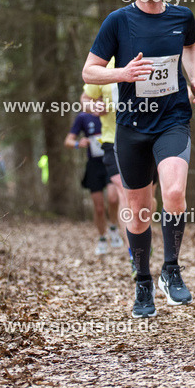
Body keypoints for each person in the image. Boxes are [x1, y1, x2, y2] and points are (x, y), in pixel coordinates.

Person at [82, 0, 195, 318]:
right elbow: (89, 72)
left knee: (173, 191)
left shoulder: (182, 16)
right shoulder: (118, 22)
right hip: (132, 127)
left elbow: (191, 45)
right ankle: (142, 281)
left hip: (172, 119)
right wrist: (122, 74)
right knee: (137, 210)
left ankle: (171, 270)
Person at [81, 58, 134, 265]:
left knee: (146, 202)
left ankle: (141, 233)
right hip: (113, 141)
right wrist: (94, 106)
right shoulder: (103, 65)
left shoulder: (148, 52)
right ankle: (134, 255)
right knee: (122, 194)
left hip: (148, 138)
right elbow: (85, 99)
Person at [64, 110, 115, 255]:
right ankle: (102, 238)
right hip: (94, 165)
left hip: (111, 161)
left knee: (113, 197)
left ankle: (113, 227)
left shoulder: (112, 110)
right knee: (98, 207)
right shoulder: (83, 117)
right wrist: (78, 143)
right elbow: (68, 141)